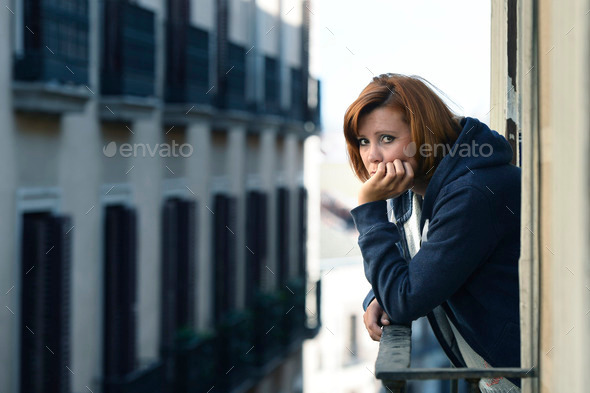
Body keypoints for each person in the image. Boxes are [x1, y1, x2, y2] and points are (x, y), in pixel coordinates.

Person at [343, 73, 522, 392]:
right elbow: (418, 264)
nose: (371, 156)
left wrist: (368, 208)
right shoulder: (414, 188)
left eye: (386, 138)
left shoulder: (471, 194)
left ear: (424, 135)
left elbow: (406, 300)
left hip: (523, 376)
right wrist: (379, 294)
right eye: (363, 141)